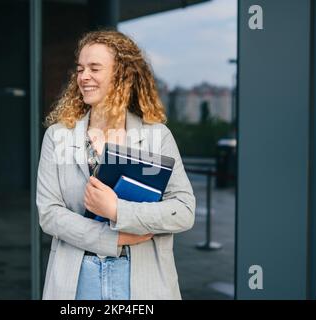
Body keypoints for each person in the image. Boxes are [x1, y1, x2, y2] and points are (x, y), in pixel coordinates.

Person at [36, 30, 196, 300]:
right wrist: (113, 238)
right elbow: (49, 214)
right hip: (77, 280)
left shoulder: (156, 136)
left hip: (141, 280)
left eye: (94, 68)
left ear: (122, 75)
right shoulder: (58, 136)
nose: (83, 77)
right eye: (80, 69)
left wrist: (117, 210)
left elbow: (183, 211)